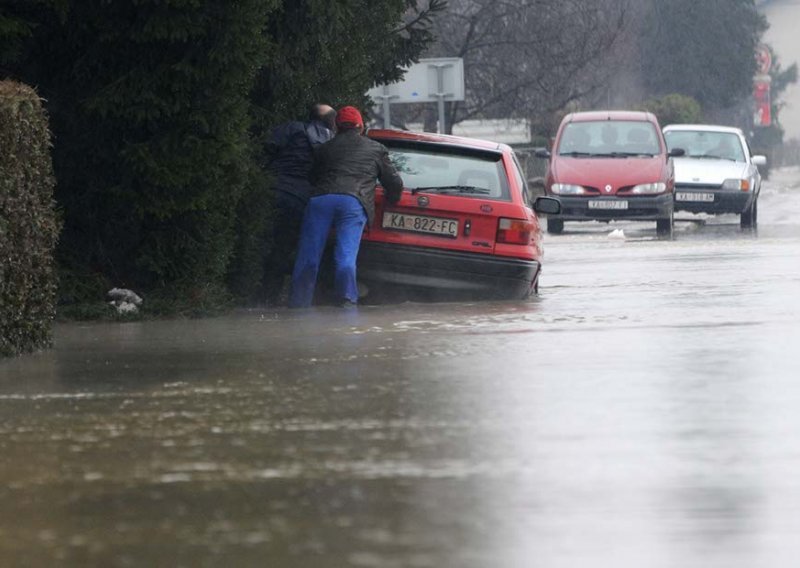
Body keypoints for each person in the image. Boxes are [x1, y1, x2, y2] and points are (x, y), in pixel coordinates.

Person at [289, 106, 403, 308]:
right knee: (345, 257)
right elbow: (393, 183)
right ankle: (348, 302)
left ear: (337, 126)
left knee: (308, 256)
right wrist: (393, 199)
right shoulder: (376, 149)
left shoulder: (324, 148)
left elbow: (312, 177)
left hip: (321, 200)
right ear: (360, 126)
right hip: (352, 201)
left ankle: (298, 305)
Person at [263, 104, 337, 305]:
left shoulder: (292, 128)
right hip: (301, 200)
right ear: (331, 121)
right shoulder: (331, 141)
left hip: (273, 190)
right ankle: (268, 298)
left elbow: (267, 147)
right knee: (282, 248)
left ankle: (250, 294)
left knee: (261, 244)